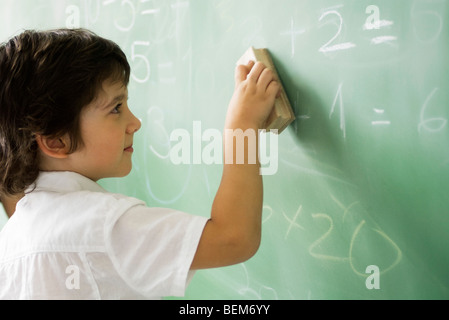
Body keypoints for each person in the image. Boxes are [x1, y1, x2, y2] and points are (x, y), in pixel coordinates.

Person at [0, 28, 279, 299]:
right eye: (116, 108)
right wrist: (242, 126)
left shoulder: (11, 241)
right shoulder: (103, 226)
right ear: (57, 141)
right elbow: (234, 238)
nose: (135, 123)